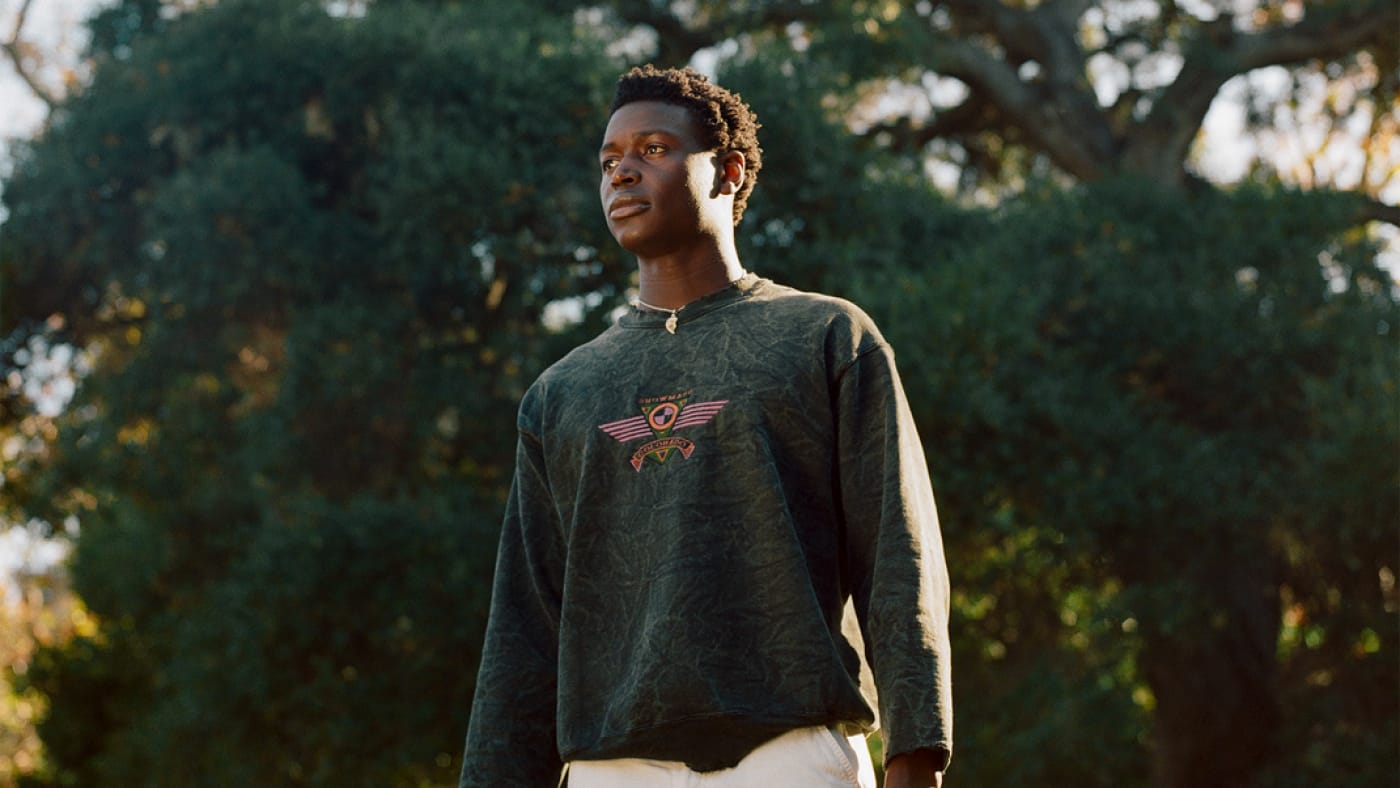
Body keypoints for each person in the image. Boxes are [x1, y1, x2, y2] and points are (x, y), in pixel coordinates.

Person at [459, 64, 951, 788]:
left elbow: (897, 554)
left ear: (727, 171)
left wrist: (916, 751)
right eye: (608, 160)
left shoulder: (823, 337)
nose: (623, 173)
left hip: (789, 754)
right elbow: (525, 624)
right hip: (609, 767)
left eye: (653, 149)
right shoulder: (561, 393)